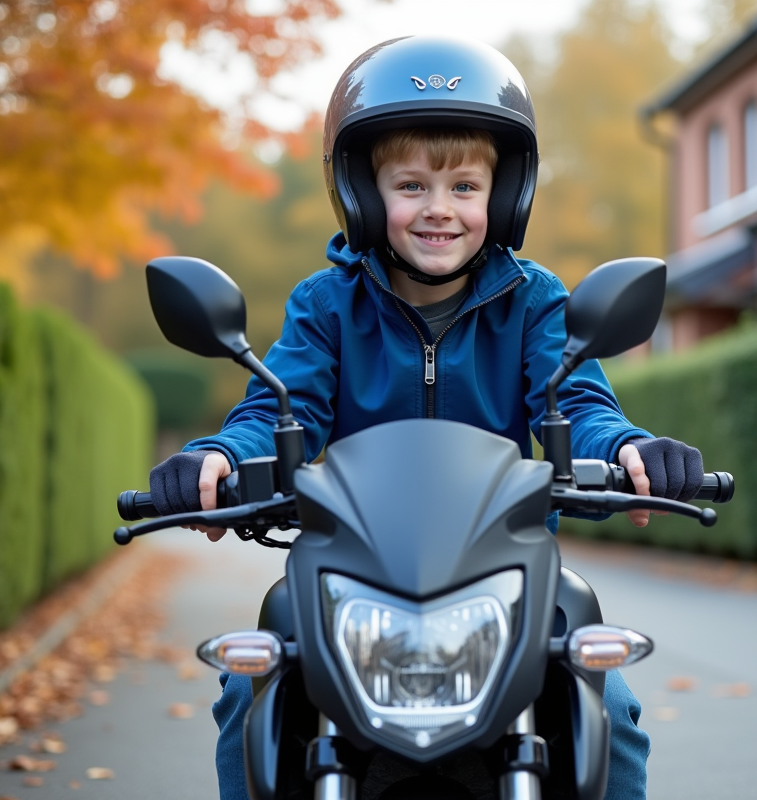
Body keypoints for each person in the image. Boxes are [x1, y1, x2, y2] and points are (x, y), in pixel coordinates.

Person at [147, 36, 703, 800]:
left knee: (610, 701)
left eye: (467, 187)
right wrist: (221, 458)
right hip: (350, 571)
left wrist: (631, 449)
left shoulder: (536, 300)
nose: (439, 210)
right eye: (410, 185)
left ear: (503, 197)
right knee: (253, 689)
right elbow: (283, 411)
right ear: (363, 194)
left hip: (508, 570)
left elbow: (576, 402)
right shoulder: (325, 304)